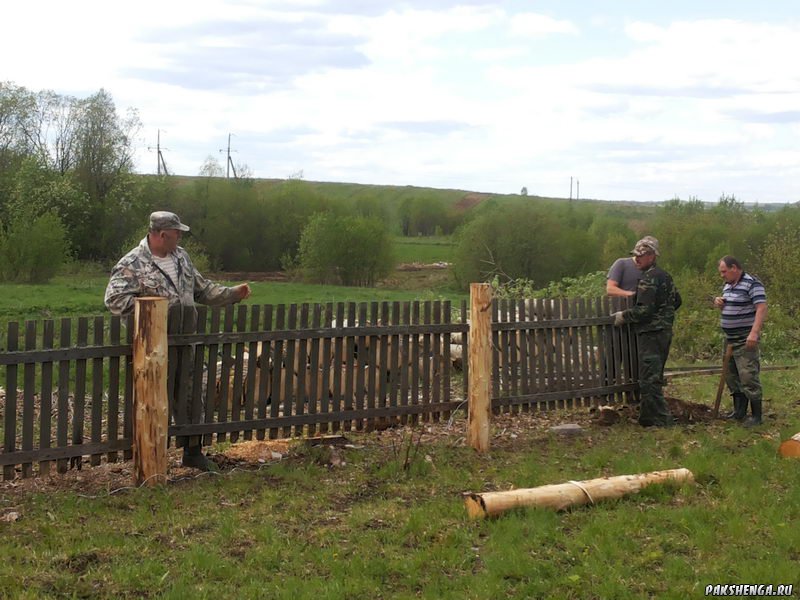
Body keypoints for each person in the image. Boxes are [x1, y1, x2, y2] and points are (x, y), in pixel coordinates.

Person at [105, 211, 252, 470]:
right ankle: (151, 459)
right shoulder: (133, 262)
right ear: (162, 235)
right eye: (177, 233)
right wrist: (154, 308)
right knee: (153, 401)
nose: (180, 236)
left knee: (193, 394)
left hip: (186, 341)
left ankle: (193, 452)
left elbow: (202, 289)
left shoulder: (181, 257)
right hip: (152, 347)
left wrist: (232, 294)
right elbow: (114, 299)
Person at [611, 237, 682, 427]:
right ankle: (647, 418)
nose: (637, 260)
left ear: (651, 256)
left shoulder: (649, 278)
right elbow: (677, 301)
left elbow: (644, 310)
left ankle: (663, 420)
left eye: (640, 256)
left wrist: (623, 316)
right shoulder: (665, 276)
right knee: (653, 376)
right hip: (664, 332)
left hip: (651, 333)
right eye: (636, 256)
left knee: (649, 379)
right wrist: (664, 316)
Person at [713, 256, 767, 427]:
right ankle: (739, 412)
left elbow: (761, 307)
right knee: (732, 376)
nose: (722, 275)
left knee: (748, 376)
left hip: (745, 338)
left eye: (724, 271)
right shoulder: (729, 285)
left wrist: (754, 333)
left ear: (734, 268)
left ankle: (756, 416)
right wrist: (719, 303)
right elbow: (731, 305)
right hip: (729, 339)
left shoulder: (752, 284)